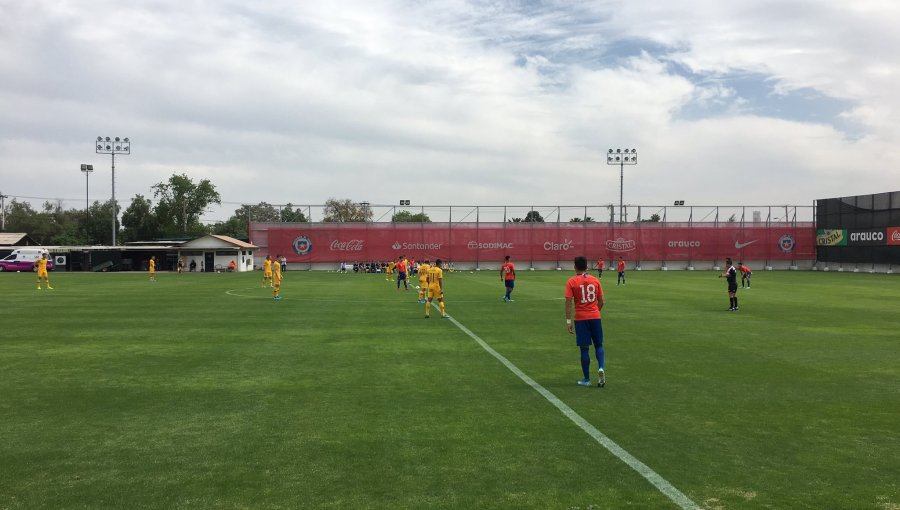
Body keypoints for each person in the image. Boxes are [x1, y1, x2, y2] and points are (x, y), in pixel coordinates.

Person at [565, 256, 605, 387]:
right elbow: (601, 301)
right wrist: (595, 311)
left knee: (584, 348)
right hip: (595, 317)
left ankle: (587, 379)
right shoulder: (595, 280)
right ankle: (601, 368)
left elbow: (568, 303)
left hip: (581, 318)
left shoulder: (571, 282)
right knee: (598, 345)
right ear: (587, 266)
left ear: (575, 267)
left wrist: (568, 321)